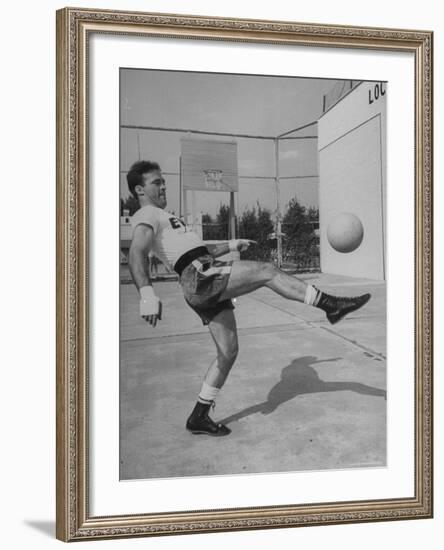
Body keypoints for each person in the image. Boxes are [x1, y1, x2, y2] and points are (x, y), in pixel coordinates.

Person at [127, 160, 371, 437]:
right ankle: (330, 305)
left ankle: (199, 414)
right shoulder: (146, 213)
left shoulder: (164, 218)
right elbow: (137, 252)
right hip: (199, 275)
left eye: (163, 181)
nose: (163, 186)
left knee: (228, 353)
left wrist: (231, 245)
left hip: (200, 273)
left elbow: (198, 248)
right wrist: (147, 295)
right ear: (139, 189)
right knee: (266, 271)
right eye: (156, 182)